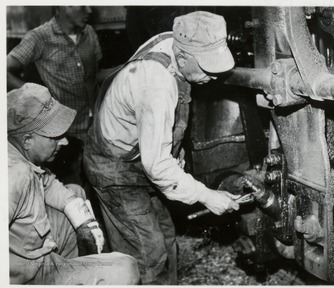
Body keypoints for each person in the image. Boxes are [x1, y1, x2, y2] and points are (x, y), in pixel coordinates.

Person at [83, 11, 240, 285]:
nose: (213, 76)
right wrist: (208, 196)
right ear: (183, 57)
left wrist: (175, 154)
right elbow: (156, 166)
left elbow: (162, 142)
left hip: (138, 158)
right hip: (114, 169)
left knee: (167, 239)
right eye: (206, 68)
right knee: (147, 255)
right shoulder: (156, 84)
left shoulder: (177, 38)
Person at [8, 83, 140, 285]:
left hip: (37, 259)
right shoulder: (15, 175)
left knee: (74, 194)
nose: (64, 142)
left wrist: (82, 219)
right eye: (54, 136)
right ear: (27, 140)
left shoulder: (18, 154)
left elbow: (46, 181)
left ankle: (73, 270)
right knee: (125, 269)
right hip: (26, 274)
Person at [7, 6, 102, 187]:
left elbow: (95, 76)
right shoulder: (39, 37)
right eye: (82, 4)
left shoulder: (89, 33)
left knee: (94, 185)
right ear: (62, 6)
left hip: (93, 127)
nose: (89, 10)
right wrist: (36, 97)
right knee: (69, 186)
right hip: (63, 134)